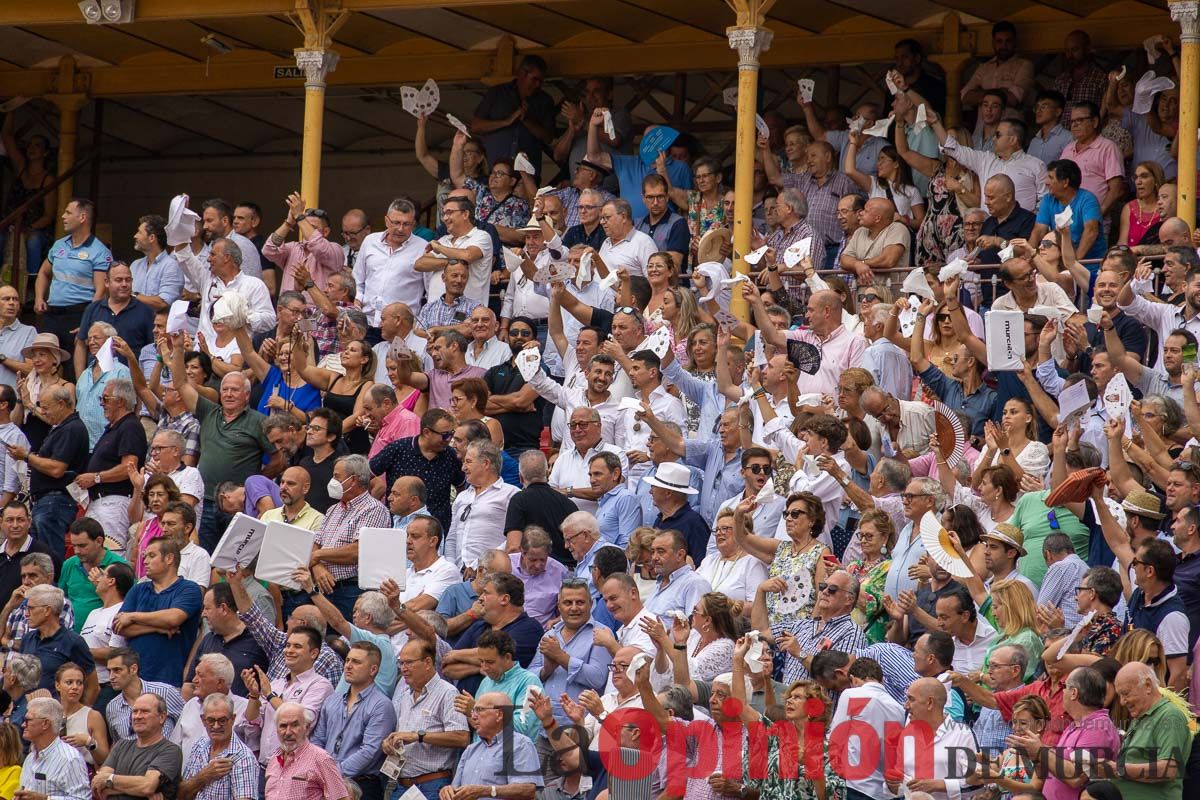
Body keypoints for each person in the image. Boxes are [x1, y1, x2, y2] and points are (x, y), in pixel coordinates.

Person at [166, 331, 282, 552]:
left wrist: (254, 481)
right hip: (206, 500)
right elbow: (180, 384)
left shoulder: (259, 421)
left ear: (247, 395)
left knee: (236, 558)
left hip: (239, 505)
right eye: (225, 389)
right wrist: (179, 349)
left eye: (235, 390)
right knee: (206, 555)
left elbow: (278, 459)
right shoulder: (209, 412)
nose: (228, 394)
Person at [238, 626, 334, 771]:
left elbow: (304, 718)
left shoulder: (320, 685)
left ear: (314, 653)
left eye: (297, 646)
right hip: (263, 767)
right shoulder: (276, 684)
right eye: (288, 645)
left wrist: (269, 695)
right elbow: (252, 725)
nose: (289, 650)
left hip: (295, 769)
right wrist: (254, 695)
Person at [385, 637, 470, 800]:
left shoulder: (447, 693)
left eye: (409, 662)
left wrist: (419, 736)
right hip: (401, 784)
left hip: (432, 784)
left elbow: (461, 737)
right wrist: (389, 744)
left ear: (428, 662)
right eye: (401, 663)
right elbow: (404, 738)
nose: (403, 669)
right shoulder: (405, 696)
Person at [309, 641, 395, 800]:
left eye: (356, 662)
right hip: (326, 781)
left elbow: (370, 751)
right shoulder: (332, 700)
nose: (348, 665)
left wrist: (332, 772)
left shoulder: (381, 705)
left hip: (362, 785)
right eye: (348, 660)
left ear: (373, 669)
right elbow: (317, 740)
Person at [113, 537, 203, 684]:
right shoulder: (138, 589)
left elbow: (174, 618)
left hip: (170, 678)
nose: (145, 561)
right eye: (144, 557)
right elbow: (119, 627)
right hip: (135, 680)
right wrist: (157, 628)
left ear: (169, 558)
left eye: (152, 556)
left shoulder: (189, 589)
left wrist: (132, 616)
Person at [34, 198, 112, 356]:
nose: (63, 216)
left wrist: (88, 321)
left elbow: (101, 291)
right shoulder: (59, 245)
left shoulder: (99, 251)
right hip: (52, 312)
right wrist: (39, 297)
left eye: (68, 213)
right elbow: (43, 272)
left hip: (78, 313)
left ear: (82, 217)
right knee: (43, 359)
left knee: (73, 366)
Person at [1111, 662, 1193, 800]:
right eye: (1119, 695)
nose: (1122, 702)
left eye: (1125, 693)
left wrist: (1117, 770)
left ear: (1148, 686)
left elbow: (1169, 769)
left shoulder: (1170, 716)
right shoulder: (1141, 716)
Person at [92, 693, 184, 799]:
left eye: (145, 711)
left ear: (162, 717)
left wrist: (109, 780)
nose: (138, 716)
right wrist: (138, 788)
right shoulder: (121, 745)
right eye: (135, 711)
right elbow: (98, 787)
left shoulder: (170, 751)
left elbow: (147, 786)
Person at [444, 440, 519, 568]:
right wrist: (450, 567)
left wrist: (480, 565)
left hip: (492, 572)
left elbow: (513, 539)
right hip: (458, 574)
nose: (463, 468)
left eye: (468, 462)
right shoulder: (462, 497)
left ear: (485, 464)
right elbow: (452, 538)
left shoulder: (511, 494)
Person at [178, 692, 260, 800]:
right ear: (203, 720)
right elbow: (181, 794)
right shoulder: (199, 746)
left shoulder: (243, 757)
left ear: (233, 719)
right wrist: (203, 776)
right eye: (211, 720)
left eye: (222, 720)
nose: (216, 726)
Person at [19, 584, 96, 698]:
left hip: (56, 713)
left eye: (31, 608)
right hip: (26, 711)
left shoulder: (74, 642)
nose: (26, 614)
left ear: (47, 610)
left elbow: (92, 686)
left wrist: (75, 714)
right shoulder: (27, 639)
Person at [263, 702, 350, 800]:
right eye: (283, 726)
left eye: (294, 725)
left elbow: (341, 798)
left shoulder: (321, 758)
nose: (288, 732)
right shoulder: (274, 760)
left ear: (307, 728)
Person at [171, 653, 249, 759]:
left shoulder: (244, 708)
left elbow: (253, 747)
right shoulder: (191, 705)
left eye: (200, 675)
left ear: (220, 682)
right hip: (187, 775)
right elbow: (174, 747)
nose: (194, 680)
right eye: (195, 674)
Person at [19, 697, 91, 800]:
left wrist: (46, 799)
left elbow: (83, 799)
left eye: (27, 720)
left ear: (45, 724)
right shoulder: (30, 759)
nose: (23, 725)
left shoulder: (70, 759)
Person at [56, 660, 110, 766]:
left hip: (83, 772)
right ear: (58, 685)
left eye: (79, 683)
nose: (75, 687)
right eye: (69, 682)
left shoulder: (93, 716)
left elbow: (105, 759)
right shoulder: (49, 713)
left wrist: (89, 742)